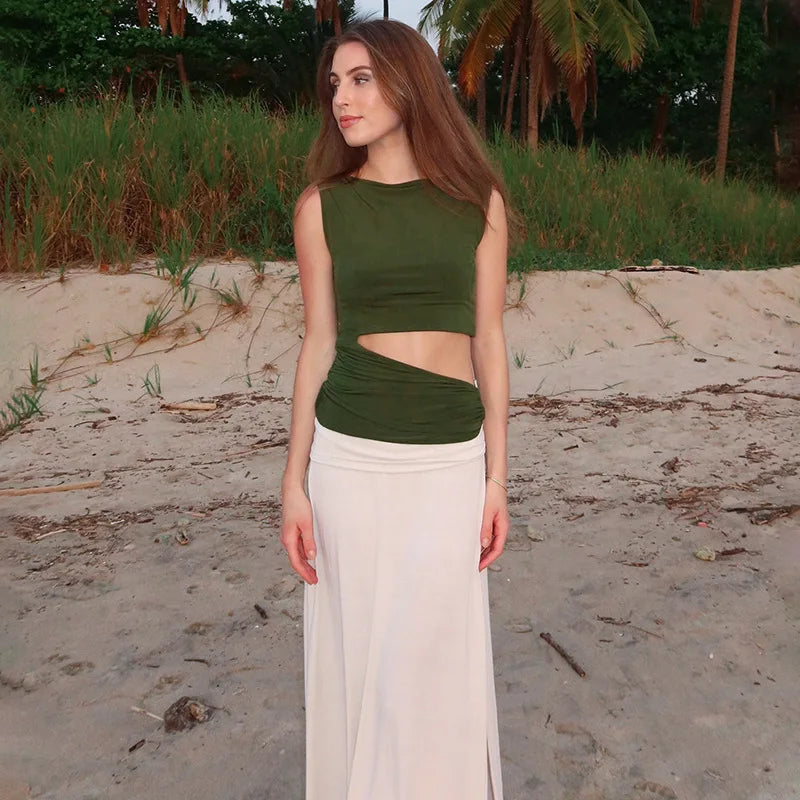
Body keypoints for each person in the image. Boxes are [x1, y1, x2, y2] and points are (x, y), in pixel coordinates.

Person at [280, 18, 513, 800]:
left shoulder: (478, 203)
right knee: (364, 663)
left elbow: (487, 341)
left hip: (450, 460)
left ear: (409, 82)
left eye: (361, 79)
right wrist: (294, 485)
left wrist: (497, 479)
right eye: (335, 84)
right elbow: (317, 345)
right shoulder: (322, 207)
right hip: (350, 460)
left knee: (432, 665)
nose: (341, 99)